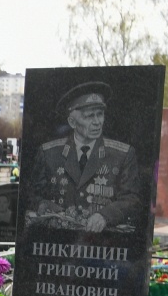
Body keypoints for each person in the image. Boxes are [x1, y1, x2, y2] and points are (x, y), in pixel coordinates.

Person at [29, 82, 145, 232]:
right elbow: (31, 195)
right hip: (57, 238)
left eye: (100, 114)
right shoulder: (49, 153)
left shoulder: (122, 155)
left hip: (103, 242)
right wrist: (42, 205)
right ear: (72, 122)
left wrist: (105, 216)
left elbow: (131, 199)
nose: (97, 122)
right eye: (89, 116)